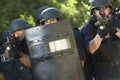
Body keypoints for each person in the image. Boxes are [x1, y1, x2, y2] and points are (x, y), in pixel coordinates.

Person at [81, 0, 120, 80]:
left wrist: (115, 30)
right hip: (104, 72)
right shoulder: (88, 28)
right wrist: (100, 34)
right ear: (94, 12)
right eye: (98, 8)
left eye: (105, 7)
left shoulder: (116, 20)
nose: (102, 11)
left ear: (109, 9)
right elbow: (91, 49)